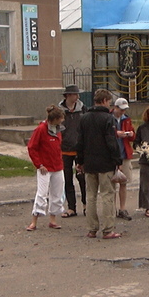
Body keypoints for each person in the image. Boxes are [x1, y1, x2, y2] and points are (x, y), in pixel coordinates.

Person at [76, 89, 123, 239]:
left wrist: (80, 161)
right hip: (105, 163)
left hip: (89, 163)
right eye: (109, 101)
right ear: (104, 101)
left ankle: (91, 229)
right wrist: (117, 160)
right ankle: (108, 229)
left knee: (90, 196)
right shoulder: (108, 119)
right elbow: (111, 142)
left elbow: (80, 142)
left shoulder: (84, 118)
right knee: (107, 195)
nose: (109, 104)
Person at [25, 105, 66, 231]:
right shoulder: (41, 129)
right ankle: (34, 221)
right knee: (41, 194)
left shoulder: (57, 129)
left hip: (57, 166)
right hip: (45, 168)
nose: (62, 122)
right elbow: (32, 148)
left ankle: (52, 219)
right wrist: (39, 164)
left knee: (57, 194)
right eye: (60, 119)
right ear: (54, 119)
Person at [58, 84, 87, 218]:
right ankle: (71, 207)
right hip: (64, 150)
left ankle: (86, 205)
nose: (78, 97)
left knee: (82, 177)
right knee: (67, 178)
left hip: (80, 149)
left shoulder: (83, 110)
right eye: (75, 94)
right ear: (68, 95)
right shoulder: (59, 111)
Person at [112, 97, 135, 221]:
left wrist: (130, 134)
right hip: (112, 155)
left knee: (123, 182)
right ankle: (112, 208)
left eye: (124, 110)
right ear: (115, 108)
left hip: (124, 153)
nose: (122, 112)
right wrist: (117, 134)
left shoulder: (126, 119)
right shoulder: (109, 118)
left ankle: (122, 208)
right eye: (121, 110)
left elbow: (132, 136)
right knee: (112, 183)